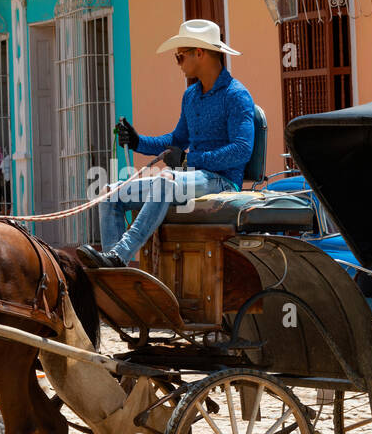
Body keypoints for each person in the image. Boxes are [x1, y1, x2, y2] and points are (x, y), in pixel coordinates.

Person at [78, 19, 256, 268]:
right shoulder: (191, 96)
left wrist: (187, 160)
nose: (179, 64)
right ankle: (113, 276)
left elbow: (241, 150)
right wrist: (138, 141)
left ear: (200, 53)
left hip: (222, 182)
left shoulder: (236, 95)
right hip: (190, 179)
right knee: (109, 192)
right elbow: (176, 140)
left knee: (165, 180)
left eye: (180, 57)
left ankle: (120, 255)